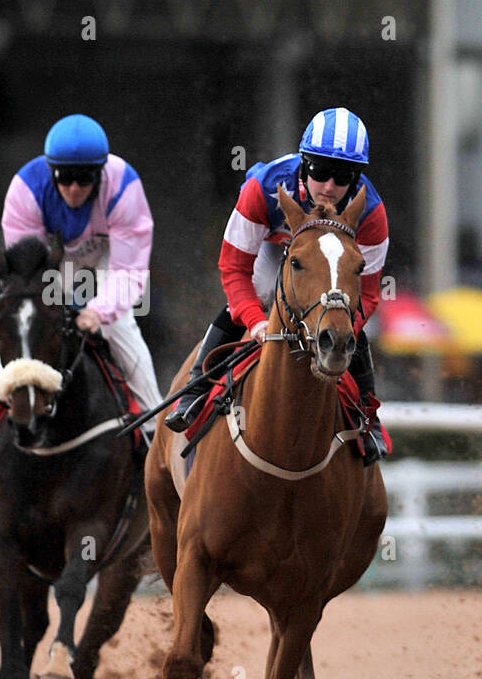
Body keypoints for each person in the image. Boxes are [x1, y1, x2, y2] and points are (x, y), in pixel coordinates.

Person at [163, 107, 389, 465]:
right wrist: (254, 320)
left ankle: (367, 414)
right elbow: (234, 268)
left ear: (357, 178)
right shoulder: (262, 187)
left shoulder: (371, 213)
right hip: (273, 251)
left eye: (343, 176)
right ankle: (195, 389)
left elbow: (370, 294)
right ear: (303, 164)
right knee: (262, 293)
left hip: (329, 267)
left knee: (342, 318)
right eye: (320, 171)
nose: (329, 186)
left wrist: (340, 325)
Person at [0, 113, 162, 449]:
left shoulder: (124, 186)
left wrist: (98, 312)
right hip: (47, 266)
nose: (74, 188)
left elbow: (129, 271)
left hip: (107, 263)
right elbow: (25, 274)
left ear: (100, 174)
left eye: (84, 179)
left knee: (121, 330)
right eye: (64, 177)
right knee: (25, 331)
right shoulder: (25, 190)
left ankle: (154, 429)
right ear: (49, 170)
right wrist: (55, 306)